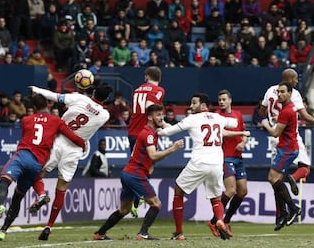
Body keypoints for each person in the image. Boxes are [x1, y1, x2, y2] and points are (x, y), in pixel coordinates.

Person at [0, 94, 85, 241]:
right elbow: (72, 136)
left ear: (33, 107)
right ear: (47, 105)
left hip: (23, 155)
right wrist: (83, 144)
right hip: (37, 164)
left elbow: (28, 136)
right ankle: (3, 230)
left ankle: (0, 205)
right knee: (17, 198)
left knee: (4, 181)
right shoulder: (56, 121)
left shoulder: (26, 120)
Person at [158, 93, 250, 240]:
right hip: (216, 163)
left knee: (178, 191)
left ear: (202, 105)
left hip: (199, 162)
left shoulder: (192, 119)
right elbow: (233, 122)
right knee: (216, 198)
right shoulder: (218, 117)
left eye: (194, 103)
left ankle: (179, 232)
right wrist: (240, 130)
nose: (190, 106)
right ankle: (219, 220)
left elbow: (166, 132)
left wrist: (159, 129)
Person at [28, 82, 112, 241]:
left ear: (92, 92)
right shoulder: (105, 115)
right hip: (74, 150)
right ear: (106, 99)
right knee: (62, 188)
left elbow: (55, 97)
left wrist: (36, 90)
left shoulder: (79, 98)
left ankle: (40, 195)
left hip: (57, 142)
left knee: (38, 173)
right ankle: (49, 226)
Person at [93, 104, 184, 241]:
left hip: (128, 173)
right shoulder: (148, 134)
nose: (161, 117)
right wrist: (173, 148)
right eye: (158, 115)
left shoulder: (151, 132)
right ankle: (143, 233)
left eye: (162, 114)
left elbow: (152, 154)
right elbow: (153, 155)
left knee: (124, 210)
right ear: (149, 117)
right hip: (135, 174)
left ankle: (99, 233)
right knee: (156, 204)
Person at [259, 69, 314, 197]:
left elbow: (261, 112)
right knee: (305, 167)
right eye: (295, 78)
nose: (297, 81)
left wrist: (271, 119)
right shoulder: (293, 93)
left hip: (274, 136)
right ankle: (293, 177)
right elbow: (305, 116)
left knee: (276, 180)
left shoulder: (270, 90)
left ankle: (280, 214)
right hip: (289, 137)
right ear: (290, 79)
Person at [207, 90, 248, 238]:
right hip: (225, 157)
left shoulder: (238, 115)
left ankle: (225, 220)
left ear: (230, 100)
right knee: (230, 190)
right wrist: (240, 136)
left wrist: (243, 142)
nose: (221, 102)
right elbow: (221, 134)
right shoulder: (217, 116)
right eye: (219, 100)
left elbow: (244, 133)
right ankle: (214, 221)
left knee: (242, 191)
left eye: (224, 99)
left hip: (238, 157)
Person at [261, 82, 301, 231]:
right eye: (278, 92)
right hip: (286, 148)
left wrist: (265, 124)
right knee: (275, 181)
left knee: (272, 179)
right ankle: (284, 213)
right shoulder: (288, 109)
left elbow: (276, 133)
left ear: (290, 93)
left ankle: (293, 208)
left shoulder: (287, 110)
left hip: (287, 149)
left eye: (283, 92)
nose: (279, 94)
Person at [127, 66, 165, 216]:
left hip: (133, 131)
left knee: (145, 167)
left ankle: (135, 198)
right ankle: (134, 198)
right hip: (144, 132)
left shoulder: (137, 90)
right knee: (142, 168)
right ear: (159, 78)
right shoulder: (158, 90)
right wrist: (162, 123)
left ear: (146, 77)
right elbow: (150, 107)